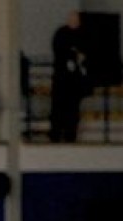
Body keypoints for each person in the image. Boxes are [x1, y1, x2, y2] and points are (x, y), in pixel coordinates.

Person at [50, 10, 89, 143]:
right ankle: (55, 135)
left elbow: (86, 51)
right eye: (72, 18)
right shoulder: (61, 33)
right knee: (58, 109)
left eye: (76, 19)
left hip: (75, 82)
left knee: (73, 110)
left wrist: (79, 56)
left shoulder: (83, 34)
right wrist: (73, 55)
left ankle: (70, 135)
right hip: (61, 80)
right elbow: (59, 51)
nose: (74, 21)